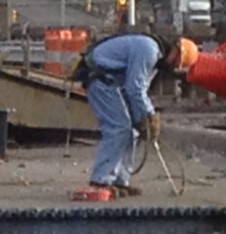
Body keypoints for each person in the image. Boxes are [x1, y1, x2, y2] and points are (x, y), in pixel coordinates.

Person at [73, 31, 196, 197]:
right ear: (175, 49)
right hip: (100, 80)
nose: (174, 66)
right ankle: (100, 181)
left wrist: (141, 120)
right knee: (119, 128)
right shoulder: (149, 50)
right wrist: (150, 115)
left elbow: (139, 90)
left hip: (113, 83)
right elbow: (135, 88)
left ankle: (120, 180)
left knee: (133, 131)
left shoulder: (155, 61)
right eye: (176, 61)